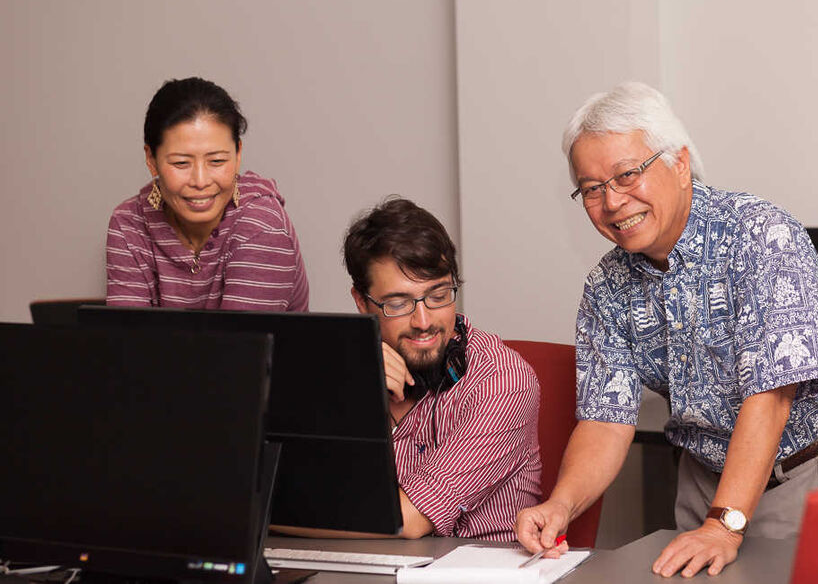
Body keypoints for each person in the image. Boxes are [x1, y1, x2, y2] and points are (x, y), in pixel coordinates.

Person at [515, 82, 818, 577]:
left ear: (679, 163)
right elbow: (605, 418)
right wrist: (562, 505)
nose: (612, 201)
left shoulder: (761, 234)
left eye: (626, 175)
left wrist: (724, 525)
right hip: (704, 483)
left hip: (808, 474)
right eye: (592, 189)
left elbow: (771, 396)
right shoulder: (606, 284)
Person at [276, 197, 542, 541]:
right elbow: (276, 481)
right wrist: (344, 383)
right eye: (398, 303)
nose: (424, 321)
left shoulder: (504, 380)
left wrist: (253, 518)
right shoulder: (337, 374)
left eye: (438, 294)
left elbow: (407, 520)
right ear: (361, 302)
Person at [106, 77, 309, 310]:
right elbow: (127, 340)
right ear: (151, 160)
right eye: (181, 163)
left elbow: (242, 344)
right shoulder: (129, 224)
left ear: (238, 153)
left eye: (217, 161)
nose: (200, 181)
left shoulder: (262, 224)